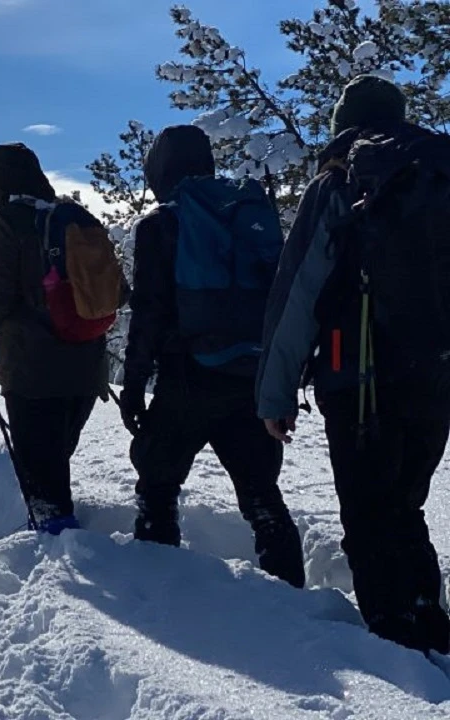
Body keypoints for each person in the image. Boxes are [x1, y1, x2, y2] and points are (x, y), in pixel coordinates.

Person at [259, 75, 450, 652]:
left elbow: (298, 294)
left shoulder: (341, 179)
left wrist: (276, 394)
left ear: (345, 120)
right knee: (404, 503)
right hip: (437, 375)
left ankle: (394, 646)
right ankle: (429, 622)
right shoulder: (439, 171)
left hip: (358, 373)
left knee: (369, 514)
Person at [119, 124, 304, 588]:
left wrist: (135, 383)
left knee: (158, 484)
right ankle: (294, 603)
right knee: (262, 494)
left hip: (189, 376)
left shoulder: (162, 223)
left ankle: (158, 588)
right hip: (252, 373)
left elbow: (150, 312)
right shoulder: (244, 213)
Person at [0, 142, 120, 535]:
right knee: (56, 457)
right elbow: (118, 290)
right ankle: (63, 544)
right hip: (87, 363)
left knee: (42, 474)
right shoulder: (77, 218)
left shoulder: (5, 223)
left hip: (33, 369)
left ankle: (57, 557)